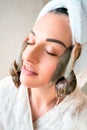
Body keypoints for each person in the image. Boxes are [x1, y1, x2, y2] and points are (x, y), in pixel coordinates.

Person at [0, 0, 87, 130]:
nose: (28, 57)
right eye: (30, 41)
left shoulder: (81, 119)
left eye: (50, 51)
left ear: (74, 61)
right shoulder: (4, 92)